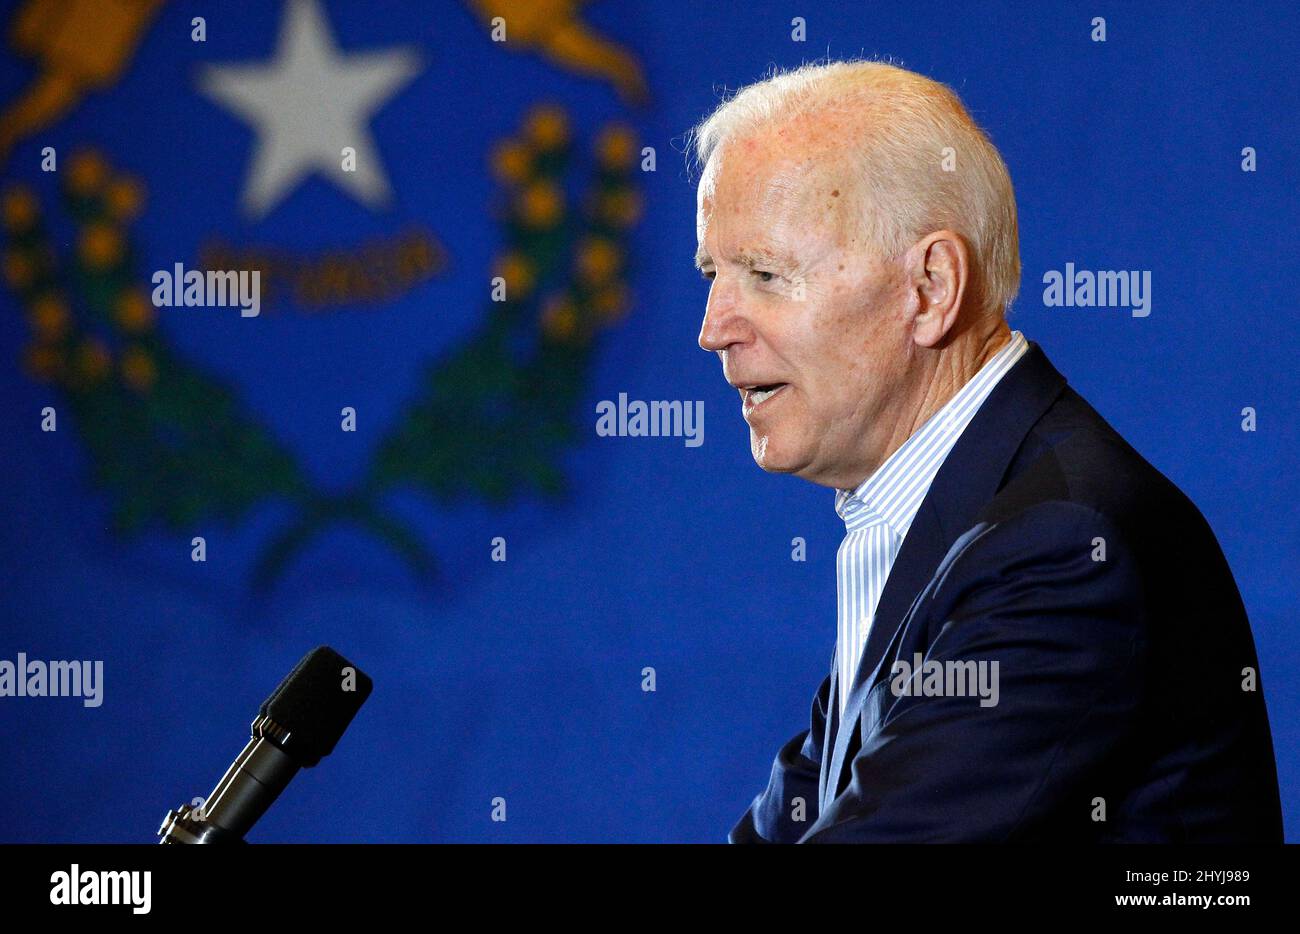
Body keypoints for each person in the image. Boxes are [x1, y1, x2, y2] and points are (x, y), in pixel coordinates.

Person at [690, 59, 1283, 842]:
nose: (713, 329)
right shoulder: (942, 518)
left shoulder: (1061, 550)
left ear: (930, 287)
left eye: (765, 274)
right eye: (712, 274)